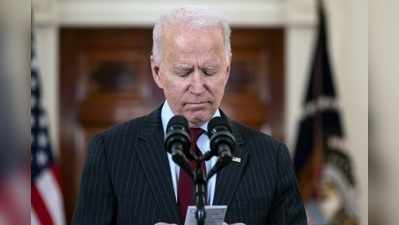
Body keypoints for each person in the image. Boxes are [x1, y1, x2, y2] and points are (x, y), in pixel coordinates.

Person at [72, 7, 307, 225]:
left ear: (226, 70)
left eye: (209, 71)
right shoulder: (110, 150)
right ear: (157, 72)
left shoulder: (271, 157)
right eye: (184, 72)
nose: (197, 86)